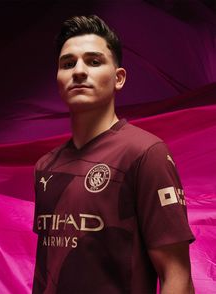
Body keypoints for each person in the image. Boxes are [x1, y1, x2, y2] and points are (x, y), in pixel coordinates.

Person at [32, 15, 195, 294]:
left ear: (118, 78)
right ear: (58, 79)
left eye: (94, 62)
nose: (79, 71)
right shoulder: (46, 166)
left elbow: (176, 276)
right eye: (68, 64)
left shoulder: (145, 154)